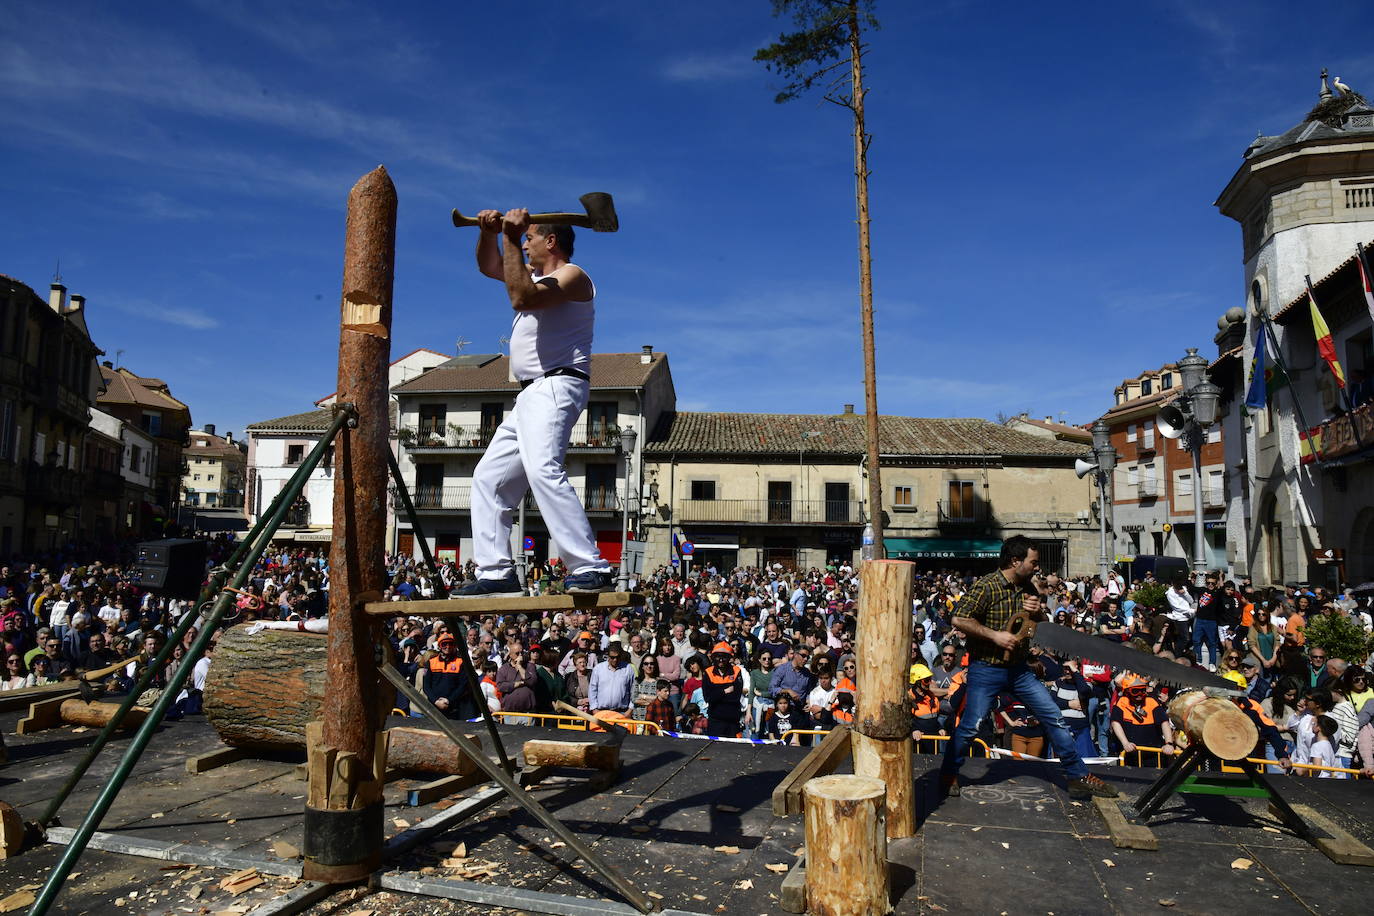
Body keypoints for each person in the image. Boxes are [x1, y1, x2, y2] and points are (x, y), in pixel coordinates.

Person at [456, 208, 615, 597]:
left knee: (543, 469)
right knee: (488, 480)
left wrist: (509, 236)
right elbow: (489, 265)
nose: (524, 244)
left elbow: (520, 298)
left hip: (557, 385)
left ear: (551, 241)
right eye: (521, 239)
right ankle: (496, 573)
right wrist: (489, 233)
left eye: (529, 238)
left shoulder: (573, 276)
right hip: (529, 393)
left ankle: (590, 565)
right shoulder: (533, 275)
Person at [939, 536, 1118, 799]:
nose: (1037, 567)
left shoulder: (1028, 588)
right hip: (986, 668)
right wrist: (994, 636)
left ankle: (1078, 776)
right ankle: (949, 773)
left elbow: (1039, 625)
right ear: (1015, 560)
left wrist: (1037, 612)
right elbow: (959, 618)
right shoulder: (987, 586)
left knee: (1054, 717)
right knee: (971, 725)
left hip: (1019, 670)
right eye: (1033, 562)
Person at [423, 634, 477, 720]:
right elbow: (426, 686)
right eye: (444, 644)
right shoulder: (431, 662)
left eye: (450, 644)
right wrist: (436, 701)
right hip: (434, 706)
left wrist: (449, 700)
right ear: (439, 646)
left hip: (453, 707)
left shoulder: (460, 662)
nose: (447, 647)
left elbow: (462, 686)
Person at [701, 641, 746, 737]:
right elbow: (708, 698)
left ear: (729, 658)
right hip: (715, 720)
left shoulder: (736, 671)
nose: (721, 660)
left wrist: (716, 693)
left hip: (733, 720)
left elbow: (735, 696)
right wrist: (725, 691)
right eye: (718, 657)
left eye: (724, 657)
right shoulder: (708, 672)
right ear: (713, 657)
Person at [588, 643, 635, 718]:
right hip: (601, 713)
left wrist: (630, 710)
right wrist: (594, 709)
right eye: (612, 657)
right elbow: (592, 689)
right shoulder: (598, 669)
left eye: (618, 657)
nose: (615, 660)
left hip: (622, 713)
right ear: (608, 656)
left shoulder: (628, 669)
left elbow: (633, 690)